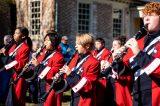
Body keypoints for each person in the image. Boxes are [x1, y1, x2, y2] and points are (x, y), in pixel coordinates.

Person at [104, 2, 160, 106]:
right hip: (137, 94)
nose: (146, 19)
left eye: (151, 15)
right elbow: (126, 75)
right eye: (145, 16)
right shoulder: (139, 42)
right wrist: (118, 62)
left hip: (156, 95)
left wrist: (139, 53)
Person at [53, 33, 100, 106]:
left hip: (85, 100)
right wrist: (59, 80)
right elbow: (69, 81)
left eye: (78, 44)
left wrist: (70, 73)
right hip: (74, 97)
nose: (75, 46)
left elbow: (88, 85)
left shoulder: (94, 62)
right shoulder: (75, 58)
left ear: (87, 46)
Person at [0, 27, 32, 106]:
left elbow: (20, 63)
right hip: (9, 75)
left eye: (17, 33)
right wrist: (4, 54)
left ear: (23, 36)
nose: (14, 35)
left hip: (18, 76)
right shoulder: (13, 46)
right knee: (9, 99)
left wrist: (6, 58)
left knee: (17, 98)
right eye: (14, 33)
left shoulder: (25, 47)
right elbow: (11, 59)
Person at [31, 32, 64, 106]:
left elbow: (52, 74)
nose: (44, 42)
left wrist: (38, 65)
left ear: (53, 42)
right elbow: (37, 68)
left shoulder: (59, 57)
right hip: (41, 85)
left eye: (47, 40)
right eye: (44, 40)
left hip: (49, 88)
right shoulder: (44, 53)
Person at [101, 36, 132, 106]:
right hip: (110, 87)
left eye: (115, 45)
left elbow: (122, 72)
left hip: (120, 87)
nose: (113, 47)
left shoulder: (125, 56)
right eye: (112, 45)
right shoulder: (110, 57)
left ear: (121, 46)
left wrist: (110, 66)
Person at [91, 37, 111, 105]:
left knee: (101, 96)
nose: (96, 45)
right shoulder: (93, 52)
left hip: (102, 75)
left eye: (98, 43)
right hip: (94, 73)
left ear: (103, 44)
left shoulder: (107, 52)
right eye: (95, 44)